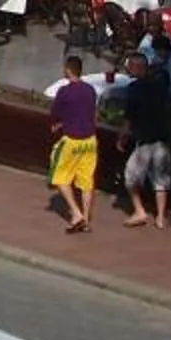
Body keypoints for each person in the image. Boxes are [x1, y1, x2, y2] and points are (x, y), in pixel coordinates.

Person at [48, 54, 102, 235]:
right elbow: (90, 112)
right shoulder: (91, 90)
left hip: (72, 140)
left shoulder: (65, 92)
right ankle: (86, 219)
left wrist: (58, 124)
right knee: (86, 180)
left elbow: (56, 113)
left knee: (60, 177)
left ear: (68, 70)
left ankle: (76, 213)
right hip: (90, 141)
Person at [119, 53, 171, 227]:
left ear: (136, 67)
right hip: (162, 139)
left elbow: (129, 118)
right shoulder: (160, 86)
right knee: (161, 180)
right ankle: (160, 217)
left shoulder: (134, 89)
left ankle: (140, 211)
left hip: (144, 140)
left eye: (130, 66)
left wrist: (122, 136)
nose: (129, 69)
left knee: (130, 177)